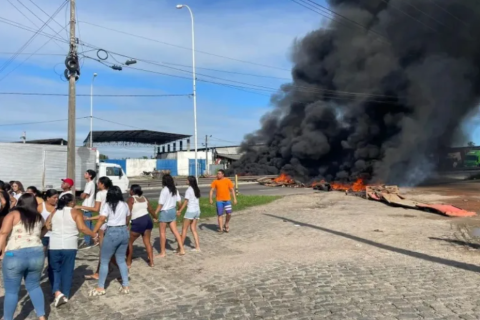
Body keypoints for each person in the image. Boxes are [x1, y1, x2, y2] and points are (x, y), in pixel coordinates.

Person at [0, 193, 48, 320]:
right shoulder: (38, 217)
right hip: (37, 253)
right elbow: (45, 229)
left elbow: (3, 233)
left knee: (11, 291)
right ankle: (41, 316)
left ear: (20, 202)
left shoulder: (13, 214)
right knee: (34, 285)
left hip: (15, 253)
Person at [45, 194, 97, 307]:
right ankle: (65, 294)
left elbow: (47, 224)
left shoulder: (54, 212)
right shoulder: (75, 212)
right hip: (69, 245)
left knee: (54, 269)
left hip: (54, 245)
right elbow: (82, 228)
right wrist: (94, 235)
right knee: (67, 270)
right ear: (72, 202)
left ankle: (56, 291)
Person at [89, 186, 130, 296]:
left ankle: (101, 287)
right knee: (121, 259)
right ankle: (125, 285)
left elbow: (101, 219)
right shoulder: (125, 204)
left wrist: (94, 232)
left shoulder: (108, 205)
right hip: (124, 231)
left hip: (112, 232)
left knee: (104, 260)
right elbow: (127, 218)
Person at [75, 177, 114, 280]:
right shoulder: (113, 192)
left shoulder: (100, 194)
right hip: (113, 223)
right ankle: (110, 268)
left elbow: (97, 209)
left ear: (102, 184)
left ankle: (98, 273)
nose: (97, 184)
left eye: (99, 183)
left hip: (104, 224)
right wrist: (90, 217)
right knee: (110, 250)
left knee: (102, 251)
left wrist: (79, 207)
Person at [154, 174, 185, 257]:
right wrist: (179, 210)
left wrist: (155, 213)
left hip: (165, 212)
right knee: (175, 231)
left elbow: (160, 204)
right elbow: (179, 202)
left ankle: (163, 252)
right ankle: (181, 249)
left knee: (162, 232)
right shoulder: (175, 189)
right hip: (172, 211)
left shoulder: (164, 190)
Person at [127, 184, 156, 268]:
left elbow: (128, 212)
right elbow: (150, 209)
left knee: (129, 242)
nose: (129, 191)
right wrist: (155, 217)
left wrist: (126, 223)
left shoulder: (131, 199)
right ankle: (151, 262)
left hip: (138, 221)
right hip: (147, 220)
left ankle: (128, 262)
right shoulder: (144, 198)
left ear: (132, 191)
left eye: (130, 190)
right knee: (147, 241)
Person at [177, 176, 201, 252]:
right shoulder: (196, 189)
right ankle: (197, 247)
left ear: (190, 181)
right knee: (193, 229)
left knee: (184, 229)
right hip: (197, 211)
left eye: (187, 180)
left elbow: (186, 202)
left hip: (190, 211)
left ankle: (180, 248)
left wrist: (180, 210)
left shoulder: (189, 190)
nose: (186, 181)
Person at [80, 170, 96, 247]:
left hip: (87, 207)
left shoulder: (90, 184)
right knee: (90, 224)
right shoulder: (88, 183)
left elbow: (83, 195)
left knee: (86, 225)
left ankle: (87, 241)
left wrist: (82, 195)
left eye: (86, 173)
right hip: (86, 206)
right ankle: (95, 237)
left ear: (90, 176)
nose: (84, 174)